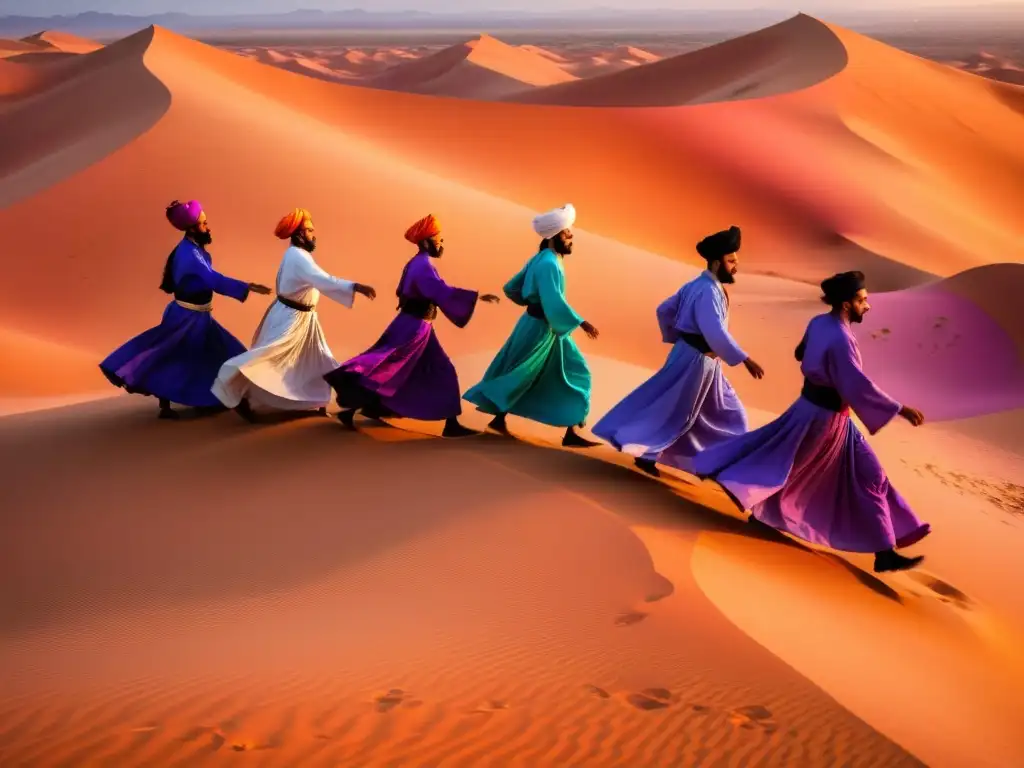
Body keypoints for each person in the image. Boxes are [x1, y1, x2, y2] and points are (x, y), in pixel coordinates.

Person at [686, 271, 930, 573]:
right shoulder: (842, 338)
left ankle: (885, 552)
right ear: (845, 304)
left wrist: (816, 360)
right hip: (824, 420)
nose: (867, 306)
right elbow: (856, 383)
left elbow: (800, 353)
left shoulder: (819, 323)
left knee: (869, 475)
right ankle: (744, 494)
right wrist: (899, 409)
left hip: (821, 413)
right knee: (789, 467)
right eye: (862, 300)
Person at [592, 226, 764, 477]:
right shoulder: (706, 290)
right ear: (716, 263)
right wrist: (744, 358)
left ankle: (718, 463)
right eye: (731, 261)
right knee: (674, 411)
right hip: (695, 362)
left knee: (727, 414)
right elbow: (714, 330)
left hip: (697, 359)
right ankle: (647, 453)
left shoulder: (698, 285)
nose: (735, 266)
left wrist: (676, 338)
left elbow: (664, 310)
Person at [324, 214, 500, 437]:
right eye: (438, 239)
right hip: (414, 328)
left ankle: (448, 422)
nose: (441, 243)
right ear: (426, 242)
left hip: (418, 326)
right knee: (388, 368)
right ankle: (351, 411)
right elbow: (440, 291)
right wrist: (476, 297)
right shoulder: (423, 265)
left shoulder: (416, 263)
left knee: (435, 369)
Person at [99, 200, 271, 419]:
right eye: (204, 223)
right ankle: (231, 403)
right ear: (192, 228)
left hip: (197, 317)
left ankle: (202, 400)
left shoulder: (192, 249)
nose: (208, 227)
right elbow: (212, 279)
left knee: (210, 353)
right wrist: (246, 287)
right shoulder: (189, 254)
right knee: (186, 356)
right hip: (188, 319)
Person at [211, 208, 376, 419]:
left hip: (304, 319)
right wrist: (356, 286)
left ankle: (319, 402)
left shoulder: (298, 254)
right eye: (309, 230)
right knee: (271, 358)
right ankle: (235, 388)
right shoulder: (298, 257)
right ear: (299, 234)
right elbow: (323, 280)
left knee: (320, 361)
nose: (313, 235)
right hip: (292, 319)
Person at [463, 204, 600, 448]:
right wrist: (581, 321)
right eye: (568, 233)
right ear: (555, 236)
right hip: (541, 329)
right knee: (545, 374)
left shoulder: (541, 258)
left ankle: (566, 431)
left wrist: (528, 299)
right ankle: (568, 433)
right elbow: (554, 301)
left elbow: (511, 287)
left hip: (537, 325)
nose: (571, 238)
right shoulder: (548, 263)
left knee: (542, 374)